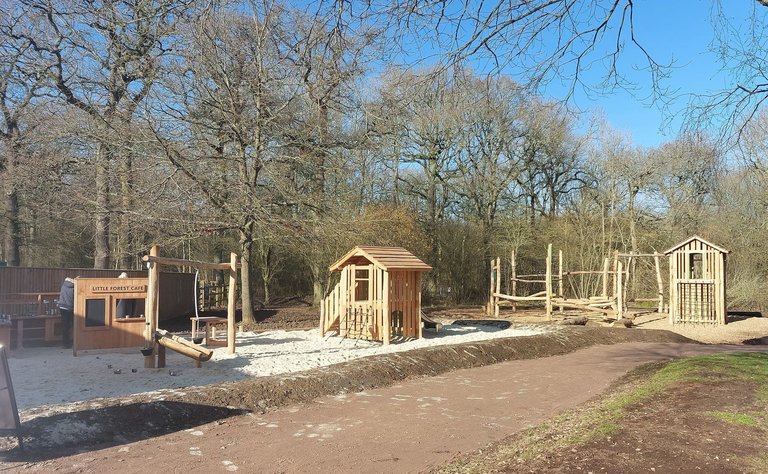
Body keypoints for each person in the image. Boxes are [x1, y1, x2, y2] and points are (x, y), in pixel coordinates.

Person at [58, 277, 75, 348]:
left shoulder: (63, 286)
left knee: (65, 326)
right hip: (70, 308)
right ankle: (71, 342)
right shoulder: (74, 288)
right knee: (73, 325)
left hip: (62, 307)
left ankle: (65, 343)